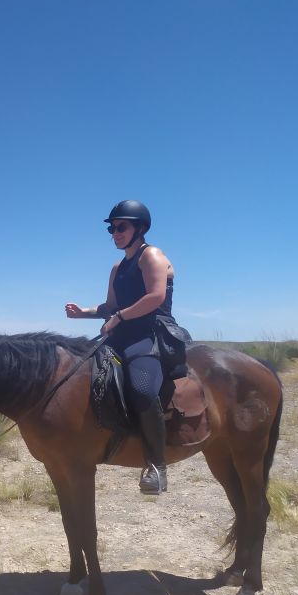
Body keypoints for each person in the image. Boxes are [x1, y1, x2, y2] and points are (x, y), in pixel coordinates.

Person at [65, 200, 187, 495]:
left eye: (121, 227)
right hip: (121, 334)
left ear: (140, 228)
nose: (115, 232)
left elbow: (155, 297)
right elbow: (110, 306)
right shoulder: (117, 267)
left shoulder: (152, 256)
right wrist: (84, 312)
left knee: (142, 388)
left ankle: (157, 465)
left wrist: (117, 317)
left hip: (149, 335)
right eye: (112, 228)